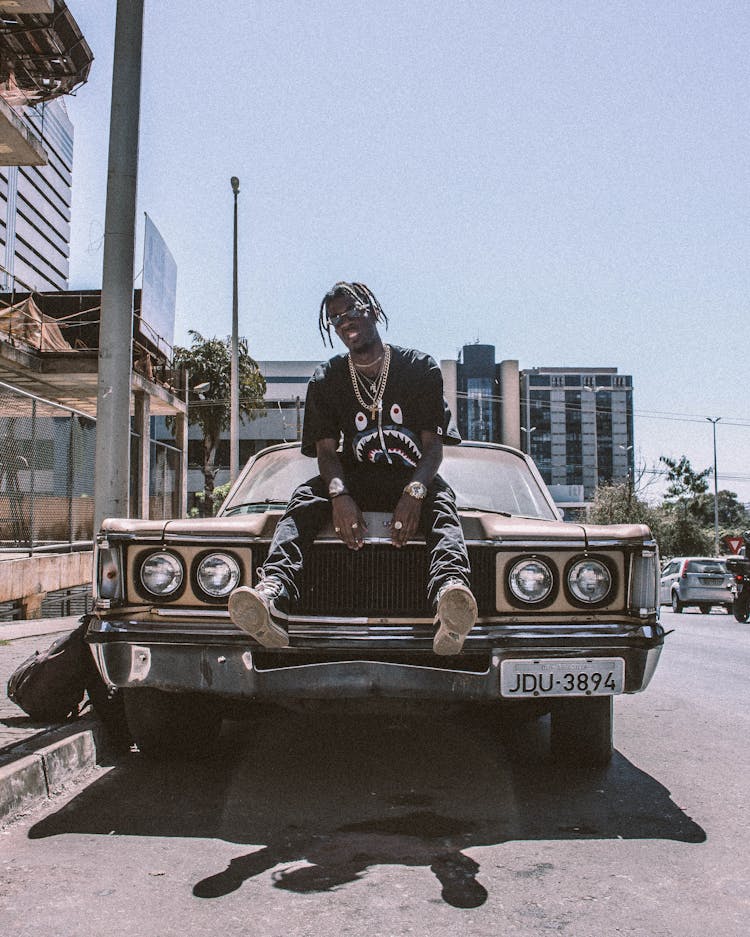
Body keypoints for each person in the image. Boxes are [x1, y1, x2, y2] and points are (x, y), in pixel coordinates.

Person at [228, 281, 477, 655]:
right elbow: (326, 452)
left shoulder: (418, 368)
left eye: (351, 311)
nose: (344, 321)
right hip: (355, 475)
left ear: (373, 311)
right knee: (305, 498)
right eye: (335, 318)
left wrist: (414, 495)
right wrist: (339, 495)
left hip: (412, 476)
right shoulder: (327, 378)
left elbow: (433, 447)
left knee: (442, 505)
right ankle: (272, 595)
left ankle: (450, 602)